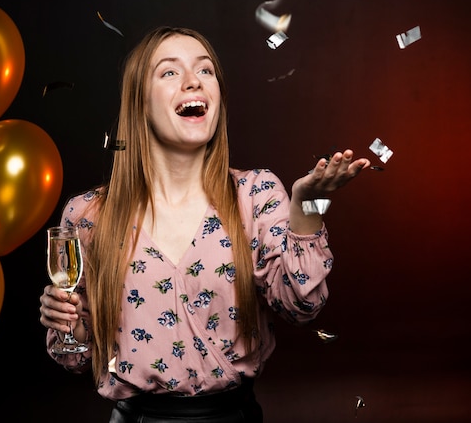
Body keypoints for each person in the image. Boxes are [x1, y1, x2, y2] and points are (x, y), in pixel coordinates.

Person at [39, 25, 371, 422]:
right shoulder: (87, 215)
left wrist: (308, 205)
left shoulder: (255, 195)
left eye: (206, 70)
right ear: (140, 103)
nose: (193, 81)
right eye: (169, 72)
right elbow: (76, 359)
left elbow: (303, 306)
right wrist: (70, 328)